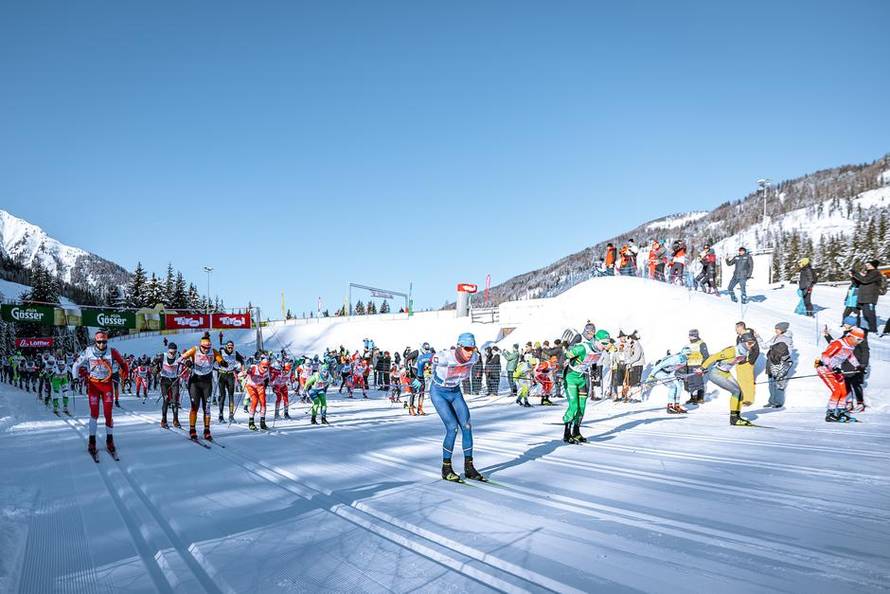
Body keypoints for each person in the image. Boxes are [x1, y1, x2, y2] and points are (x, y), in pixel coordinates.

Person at [429, 332, 484, 482]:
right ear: (459, 346)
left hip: (455, 392)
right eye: (467, 348)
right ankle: (446, 468)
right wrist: (418, 377)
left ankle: (469, 467)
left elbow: (475, 362)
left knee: (466, 426)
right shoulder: (444, 357)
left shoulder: (474, 356)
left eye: (473, 348)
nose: (470, 352)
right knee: (452, 427)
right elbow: (421, 359)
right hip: (439, 393)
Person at [73, 330, 130, 456]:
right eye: (99, 342)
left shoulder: (112, 351)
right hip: (93, 385)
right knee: (94, 414)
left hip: (106, 386)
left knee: (108, 413)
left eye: (104, 342)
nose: (102, 344)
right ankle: (92, 441)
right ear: (95, 341)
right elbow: (76, 365)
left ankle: (110, 440)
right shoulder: (88, 351)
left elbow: (123, 363)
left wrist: (125, 373)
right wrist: (75, 378)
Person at [562, 324, 607, 443]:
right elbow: (567, 354)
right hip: (571, 377)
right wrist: (567, 350)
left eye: (607, 344)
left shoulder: (599, 350)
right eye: (604, 343)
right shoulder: (583, 347)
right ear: (596, 340)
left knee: (582, 407)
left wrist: (594, 370)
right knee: (574, 406)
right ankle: (567, 433)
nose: (605, 346)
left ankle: (576, 432)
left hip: (582, 378)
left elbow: (592, 361)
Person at [177, 333, 225, 441]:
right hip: (195, 382)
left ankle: (207, 430)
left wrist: (223, 363)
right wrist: (187, 362)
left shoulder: (213, 351)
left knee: (207, 408)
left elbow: (220, 359)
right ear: (200, 346)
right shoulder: (195, 349)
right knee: (194, 407)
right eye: (204, 348)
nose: (207, 350)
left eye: (208, 347)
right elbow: (180, 358)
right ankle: (192, 429)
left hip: (207, 383)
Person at [817, 326, 865, 422]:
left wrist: (858, 366)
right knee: (837, 390)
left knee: (844, 391)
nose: (859, 342)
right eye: (858, 339)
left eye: (861, 340)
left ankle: (841, 411)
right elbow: (825, 355)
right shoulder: (838, 343)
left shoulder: (850, 346)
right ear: (851, 336)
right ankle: (830, 414)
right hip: (824, 368)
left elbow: (850, 356)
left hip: (835, 369)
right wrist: (833, 367)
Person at [700, 339, 752, 426]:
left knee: (740, 393)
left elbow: (737, 361)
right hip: (716, 373)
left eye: (753, 343)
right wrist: (702, 368)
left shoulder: (744, 351)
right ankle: (734, 419)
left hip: (726, 373)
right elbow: (714, 357)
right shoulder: (732, 351)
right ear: (743, 342)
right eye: (750, 343)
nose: (752, 345)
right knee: (736, 392)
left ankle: (737, 417)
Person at [823, 318, 869, 413]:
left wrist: (863, 364)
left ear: (850, 324)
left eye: (845, 324)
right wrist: (827, 336)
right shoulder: (846, 334)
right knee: (846, 383)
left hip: (856, 363)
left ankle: (860, 403)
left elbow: (865, 351)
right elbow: (836, 344)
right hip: (845, 363)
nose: (843, 325)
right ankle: (849, 403)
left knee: (856, 384)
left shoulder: (858, 334)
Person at [645, 348, 690, 413]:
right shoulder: (674, 359)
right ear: (683, 353)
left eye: (689, 354)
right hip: (660, 373)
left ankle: (676, 406)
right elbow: (659, 366)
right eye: (687, 354)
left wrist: (682, 375)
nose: (688, 356)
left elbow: (677, 368)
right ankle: (670, 407)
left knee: (679, 387)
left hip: (670, 374)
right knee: (673, 387)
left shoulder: (684, 361)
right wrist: (651, 375)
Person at [765, 322, 793, 408]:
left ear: (782, 330)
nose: (775, 330)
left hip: (780, 363)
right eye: (776, 328)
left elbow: (788, 352)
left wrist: (781, 359)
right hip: (771, 361)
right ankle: (772, 401)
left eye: (777, 329)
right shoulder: (774, 337)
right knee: (771, 383)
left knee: (779, 383)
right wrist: (757, 337)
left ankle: (778, 402)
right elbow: (765, 346)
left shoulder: (787, 339)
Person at [850, 260, 882, 333]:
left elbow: (865, 280)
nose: (867, 266)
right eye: (866, 265)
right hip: (864, 298)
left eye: (869, 265)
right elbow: (859, 283)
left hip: (870, 297)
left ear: (873, 266)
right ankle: (870, 328)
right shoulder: (868, 273)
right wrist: (853, 276)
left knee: (869, 314)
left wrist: (856, 274)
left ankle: (873, 330)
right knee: (865, 315)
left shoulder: (876, 273)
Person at [217, 340, 244, 422]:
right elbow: (214, 360)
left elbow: (242, 361)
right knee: (222, 396)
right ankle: (221, 416)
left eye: (231, 347)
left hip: (230, 375)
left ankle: (231, 415)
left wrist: (243, 371)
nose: (230, 348)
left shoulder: (235, 353)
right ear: (226, 347)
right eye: (228, 347)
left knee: (231, 395)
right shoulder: (221, 352)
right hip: (222, 375)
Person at [158, 342, 182, 429]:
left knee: (175, 400)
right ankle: (164, 420)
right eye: (171, 352)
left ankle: (175, 420)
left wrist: (188, 364)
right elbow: (153, 365)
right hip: (164, 381)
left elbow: (187, 362)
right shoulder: (162, 356)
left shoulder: (179, 357)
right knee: (166, 400)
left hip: (174, 380)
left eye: (174, 352)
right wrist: (155, 367)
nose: (173, 354)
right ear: (168, 351)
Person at [243, 357, 270, 430]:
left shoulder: (267, 370)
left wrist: (267, 383)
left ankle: (262, 422)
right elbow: (243, 373)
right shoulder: (254, 367)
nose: (265, 369)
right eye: (264, 367)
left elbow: (267, 379)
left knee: (263, 402)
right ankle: (251, 422)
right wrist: (246, 372)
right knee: (254, 400)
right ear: (261, 365)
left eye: (267, 367)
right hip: (251, 385)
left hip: (260, 385)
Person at [683, 329, 709, 404]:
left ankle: (700, 398)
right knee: (691, 383)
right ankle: (693, 398)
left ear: (695, 336)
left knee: (698, 382)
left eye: (690, 335)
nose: (689, 337)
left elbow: (706, 356)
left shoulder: (701, 344)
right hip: (689, 365)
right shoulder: (688, 345)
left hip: (698, 365)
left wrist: (703, 367)